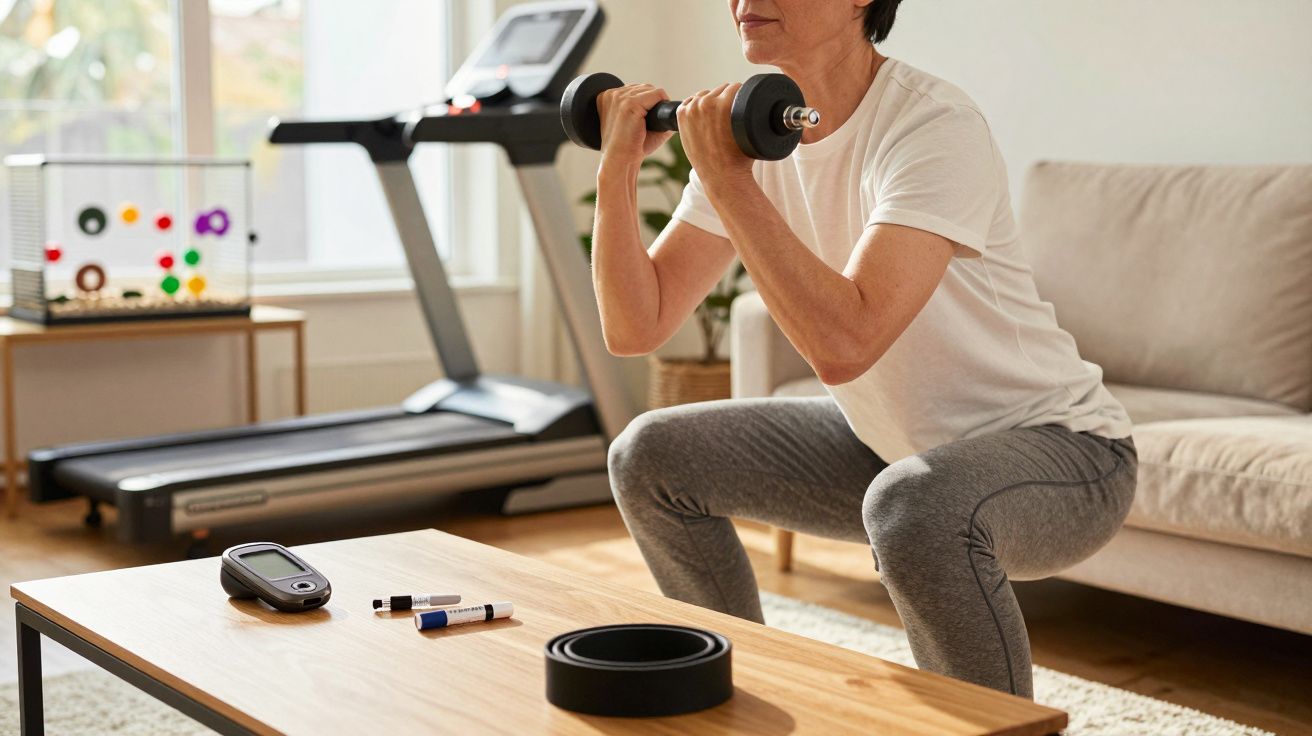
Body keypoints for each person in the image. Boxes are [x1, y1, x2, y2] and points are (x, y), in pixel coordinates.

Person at [590, 0, 1136, 699]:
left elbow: (846, 343)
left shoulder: (931, 125)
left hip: (1064, 453)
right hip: (893, 445)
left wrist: (729, 180)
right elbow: (636, 327)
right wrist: (618, 170)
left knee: (916, 507)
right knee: (651, 458)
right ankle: (730, 705)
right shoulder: (746, 135)